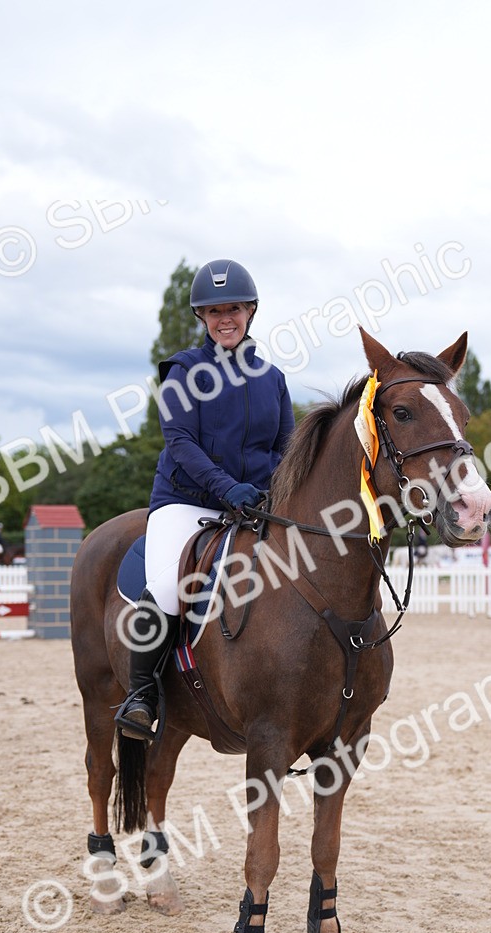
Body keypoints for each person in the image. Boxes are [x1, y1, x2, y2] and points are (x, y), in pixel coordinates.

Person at [115, 259, 296, 740]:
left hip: (254, 505)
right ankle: (142, 696)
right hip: (187, 502)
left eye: (233, 309)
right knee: (167, 589)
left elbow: (287, 449)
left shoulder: (273, 379)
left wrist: (276, 491)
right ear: (202, 317)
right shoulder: (183, 371)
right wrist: (226, 488)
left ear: (251, 311)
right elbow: (180, 442)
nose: (225, 319)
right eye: (214, 311)